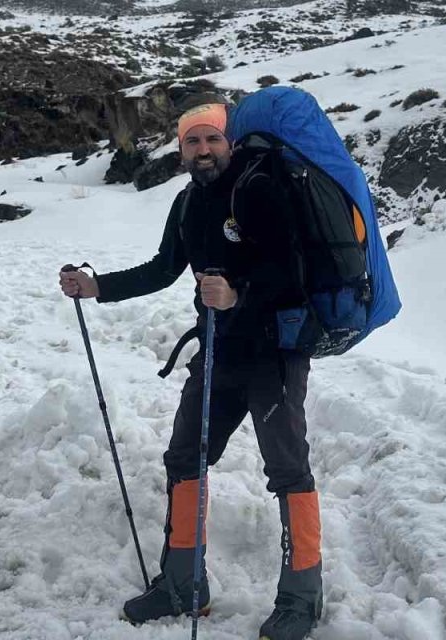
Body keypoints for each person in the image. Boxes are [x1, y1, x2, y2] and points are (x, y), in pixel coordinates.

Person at [58, 102, 323, 640]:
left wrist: (238, 292)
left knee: (288, 469)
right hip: (220, 350)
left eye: (212, 140)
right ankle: (184, 584)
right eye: (192, 143)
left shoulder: (259, 190)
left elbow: (292, 271)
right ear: (180, 151)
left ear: (229, 143)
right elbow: (162, 268)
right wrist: (97, 285)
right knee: (185, 457)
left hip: (273, 351)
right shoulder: (187, 203)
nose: (203, 151)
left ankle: (302, 598)